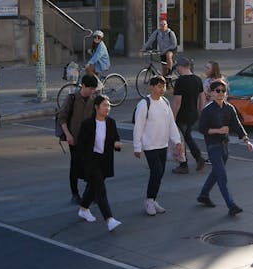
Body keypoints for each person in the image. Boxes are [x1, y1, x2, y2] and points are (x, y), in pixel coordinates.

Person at [197, 80, 253, 216]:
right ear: (211, 93)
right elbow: (201, 129)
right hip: (213, 147)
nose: (221, 93)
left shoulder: (229, 108)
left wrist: (246, 140)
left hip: (224, 147)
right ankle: (231, 205)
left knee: (216, 173)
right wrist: (218, 130)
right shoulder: (207, 110)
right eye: (217, 90)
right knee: (222, 176)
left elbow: (237, 125)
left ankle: (203, 195)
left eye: (223, 91)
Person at [133, 76, 183, 216]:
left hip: (163, 144)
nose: (162, 89)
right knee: (156, 171)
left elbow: (171, 123)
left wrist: (177, 141)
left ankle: (153, 199)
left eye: (164, 86)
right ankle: (149, 200)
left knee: (159, 174)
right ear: (152, 87)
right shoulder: (144, 104)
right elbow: (138, 127)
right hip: (150, 145)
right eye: (159, 86)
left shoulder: (165, 102)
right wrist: (137, 147)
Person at [77, 94, 122, 232]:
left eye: (108, 105)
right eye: (104, 105)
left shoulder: (111, 122)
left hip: (105, 160)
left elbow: (115, 137)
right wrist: (84, 162)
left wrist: (116, 144)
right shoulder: (87, 124)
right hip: (91, 160)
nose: (107, 108)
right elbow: (81, 145)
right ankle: (109, 219)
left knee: (93, 186)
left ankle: (83, 208)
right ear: (96, 107)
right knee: (100, 190)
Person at [57, 74, 100, 204]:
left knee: (91, 166)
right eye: (91, 89)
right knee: (75, 165)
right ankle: (75, 194)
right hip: (74, 139)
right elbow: (62, 118)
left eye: (94, 89)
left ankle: (90, 194)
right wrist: (68, 135)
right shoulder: (72, 98)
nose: (92, 91)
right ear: (84, 86)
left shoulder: (94, 100)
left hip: (89, 139)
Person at [171, 56, 206, 174]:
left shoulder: (180, 81)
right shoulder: (197, 79)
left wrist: (173, 116)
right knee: (187, 136)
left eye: (178, 67)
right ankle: (198, 158)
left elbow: (177, 101)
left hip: (182, 115)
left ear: (181, 67)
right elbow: (202, 96)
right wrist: (201, 110)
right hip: (193, 114)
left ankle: (184, 164)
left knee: (180, 139)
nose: (177, 70)